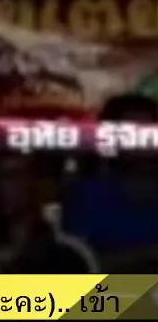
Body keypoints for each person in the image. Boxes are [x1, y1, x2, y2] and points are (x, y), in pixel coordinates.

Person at [63, 94, 158, 271]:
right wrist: (147, 255)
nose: (142, 140)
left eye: (148, 129)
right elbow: (80, 265)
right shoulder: (87, 196)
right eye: (131, 131)